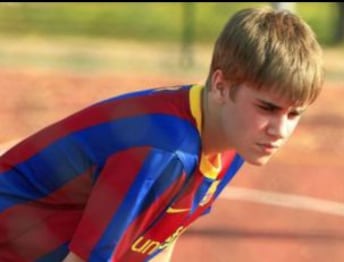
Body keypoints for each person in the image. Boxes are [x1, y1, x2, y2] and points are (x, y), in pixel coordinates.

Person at [0, 6, 324, 262]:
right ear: (221, 86)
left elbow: (157, 241)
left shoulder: (233, 140)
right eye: (266, 108)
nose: (280, 130)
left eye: (294, 113)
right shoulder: (163, 151)